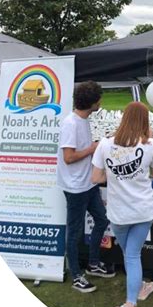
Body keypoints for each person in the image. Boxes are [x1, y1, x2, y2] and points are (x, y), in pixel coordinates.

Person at [92, 102, 153, 307]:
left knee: (130, 255)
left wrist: (114, 178)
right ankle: (136, 293)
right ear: (145, 120)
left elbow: (96, 178)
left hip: (119, 212)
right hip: (144, 210)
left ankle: (131, 303)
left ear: (123, 118)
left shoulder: (105, 144)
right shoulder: (150, 145)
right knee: (131, 255)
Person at [57, 81, 115, 294]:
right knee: (75, 232)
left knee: (101, 219)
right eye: (99, 98)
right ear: (92, 102)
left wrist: (97, 146)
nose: (101, 102)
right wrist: (93, 148)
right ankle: (76, 276)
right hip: (74, 187)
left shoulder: (83, 121)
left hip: (87, 182)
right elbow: (69, 157)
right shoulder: (71, 123)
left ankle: (92, 264)